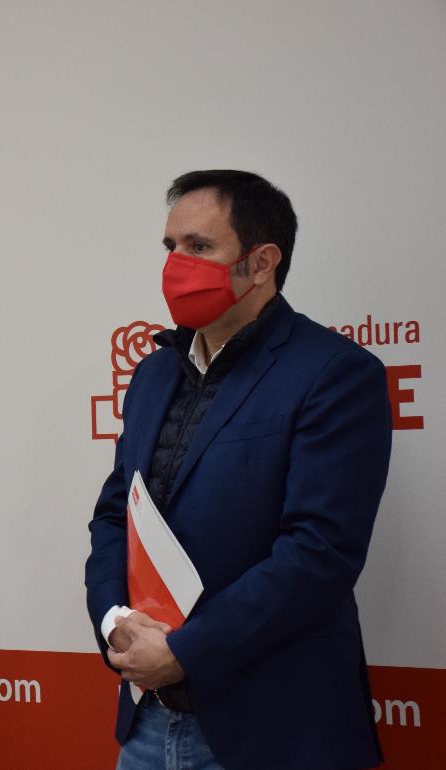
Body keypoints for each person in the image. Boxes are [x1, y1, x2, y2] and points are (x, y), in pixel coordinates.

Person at [85, 170, 391, 770]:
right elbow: (116, 514)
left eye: (199, 246)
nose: (176, 265)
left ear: (261, 263)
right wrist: (114, 620)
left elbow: (320, 551)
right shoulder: (153, 374)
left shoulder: (333, 373)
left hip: (273, 725)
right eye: (170, 246)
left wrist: (186, 652)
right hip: (148, 719)